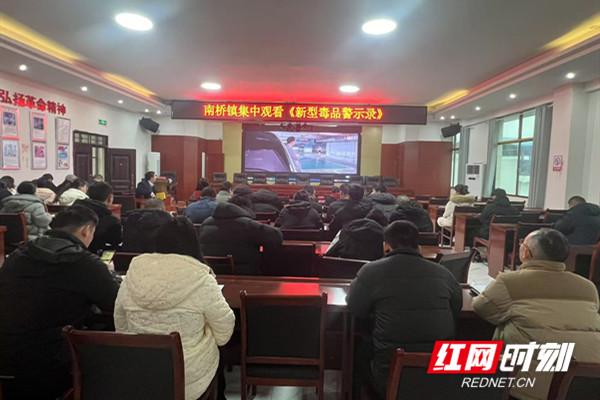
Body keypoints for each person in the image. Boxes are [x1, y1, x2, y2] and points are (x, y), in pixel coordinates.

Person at [0, 206, 119, 400]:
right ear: (86, 230)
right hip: (53, 358)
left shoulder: (18, 254)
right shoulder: (84, 262)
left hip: (6, 351)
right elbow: (115, 304)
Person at [115, 217, 235, 400]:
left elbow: (121, 324)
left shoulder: (134, 272)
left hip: (141, 372)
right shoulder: (201, 278)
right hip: (188, 377)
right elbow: (224, 331)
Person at [473, 228, 600, 400]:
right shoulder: (587, 287)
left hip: (531, 386)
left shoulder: (509, 282)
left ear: (526, 252)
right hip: (587, 382)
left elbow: (482, 308)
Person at [347, 221, 462, 397]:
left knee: (356, 350)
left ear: (386, 246)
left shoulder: (370, 271)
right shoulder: (443, 273)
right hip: (439, 371)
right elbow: (456, 308)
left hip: (389, 372)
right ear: (419, 246)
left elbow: (356, 309)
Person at [199, 198, 283, 274]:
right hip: (244, 274)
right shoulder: (247, 224)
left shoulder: (206, 223)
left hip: (211, 273)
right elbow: (276, 236)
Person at [74, 182, 122, 253]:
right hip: (95, 256)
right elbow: (115, 244)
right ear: (110, 198)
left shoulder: (72, 213)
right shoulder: (111, 221)